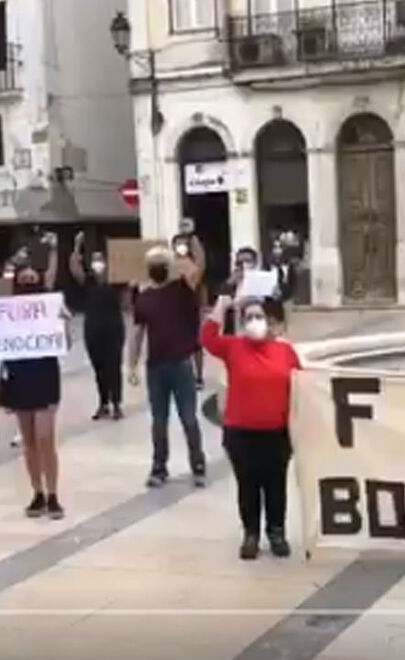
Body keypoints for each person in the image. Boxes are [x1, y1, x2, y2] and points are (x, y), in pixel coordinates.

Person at [202, 294, 299, 560]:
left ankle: (276, 532)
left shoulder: (285, 352)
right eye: (249, 318)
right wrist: (221, 306)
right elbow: (207, 338)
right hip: (241, 433)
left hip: (276, 433)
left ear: (270, 322)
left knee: (275, 485)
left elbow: (301, 388)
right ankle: (251, 534)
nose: (254, 322)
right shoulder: (233, 347)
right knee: (248, 485)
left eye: (259, 317)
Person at [0, 246, 66, 520]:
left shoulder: (50, 307)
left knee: (45, 438)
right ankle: (37, 493)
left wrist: (64, 325)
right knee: (29, 441)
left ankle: (53, 494)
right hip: (18, 375)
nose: (27, 284)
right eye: (22, 280)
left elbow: (65, 344)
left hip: (45, 374)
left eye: (31, 280)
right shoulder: (6, 309)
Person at [128, 246, 206, 489]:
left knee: (189, 418)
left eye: (161, 263)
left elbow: (198, 267)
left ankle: (198, 464)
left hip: (181, 364)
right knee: (158, 421)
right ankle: (159, 466)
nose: (158, 267)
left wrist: (190, 243)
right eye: (155, 263)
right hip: (156, 367)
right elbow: (138, 333)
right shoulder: (144, 298)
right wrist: (131, 364)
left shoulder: (180, 290)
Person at [71, 232, 126, 420]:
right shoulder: (88, 280)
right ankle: (103, 403)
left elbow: (127, 301)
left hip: (113, 329)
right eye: (94, 260)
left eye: (100, 259)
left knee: (114, 367)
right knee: (99, 369)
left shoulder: (117, 281)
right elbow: (74, 268)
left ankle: (117, 403)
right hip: (93, 329)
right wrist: (77, 246)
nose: (97, 263)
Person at [173, 218, 207, 389]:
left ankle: (199, 376)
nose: (184, 227)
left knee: (195, 340)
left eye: (187, 225)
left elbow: (201, 264)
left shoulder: (194, 241)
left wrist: (193, 280)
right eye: (182, 225)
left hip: (191, 296)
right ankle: (185, 375)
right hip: (175, 297)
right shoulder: (175, 241)